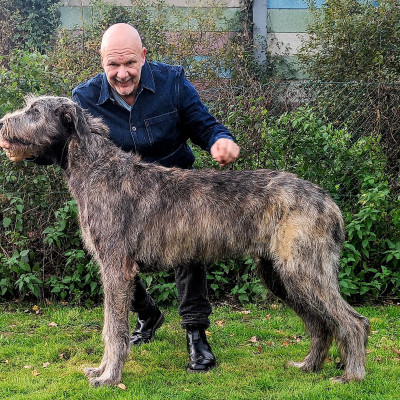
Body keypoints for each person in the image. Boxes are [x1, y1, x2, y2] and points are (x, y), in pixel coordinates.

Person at [0, 23, 240, 373]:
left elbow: (203, 124)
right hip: (117, 193)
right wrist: (24, 150)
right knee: (115, 259)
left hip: (175, 191)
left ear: (143, 56)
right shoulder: (83, 98)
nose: (122, 73)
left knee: (188, 255)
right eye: (113, 65)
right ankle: (148, 314)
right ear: (102, 62)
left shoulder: (171, 82)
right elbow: (58, 146)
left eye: (130, 63)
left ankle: (195, 334)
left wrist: (220, 140)